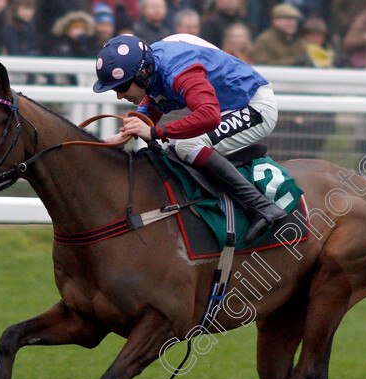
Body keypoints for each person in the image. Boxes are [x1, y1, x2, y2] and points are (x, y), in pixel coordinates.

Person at [92, 33, 287, 244]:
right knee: (178, 147)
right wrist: (122, 137)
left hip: (254, 106)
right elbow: (152, 104)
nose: (119, 96)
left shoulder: (179, 70)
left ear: (142, 74)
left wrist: (155, 132)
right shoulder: (151, 66)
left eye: (121, 87)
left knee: (187, 145)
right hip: (227, 106)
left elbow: (209, 116)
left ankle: (263, 207)